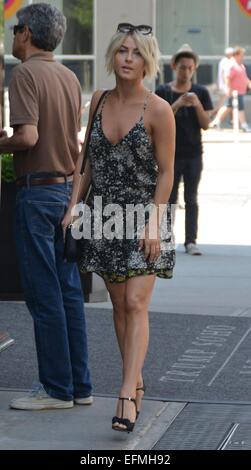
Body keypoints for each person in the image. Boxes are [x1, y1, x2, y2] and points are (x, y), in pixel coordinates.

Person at [62, 22, 176, 433]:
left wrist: (155, 221)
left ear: (148, 61)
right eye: (122, 51)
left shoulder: (159, 109)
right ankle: (137, 378)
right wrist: (74, 206)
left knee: (135, 304)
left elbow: (166, 173)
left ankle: (126, 393)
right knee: (118, 306)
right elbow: (86, 162)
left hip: (144, 216)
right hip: (102, 216)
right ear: (113, 54)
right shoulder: (98, 100)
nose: (128, 58)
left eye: (136, 53)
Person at [0, 3, 92, 410]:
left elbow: (27, 137)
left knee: (43, 294)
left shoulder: (24, 74)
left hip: (37, 192)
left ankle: (55, 389)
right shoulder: (69, 76)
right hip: (65, 193)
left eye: (16, 28)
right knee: (69, 292)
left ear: (27, 34)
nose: (13, 35)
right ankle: (80, 387)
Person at [156, 44, 213, 255]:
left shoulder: (201, 92)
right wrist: (178, 103)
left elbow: (207, 124)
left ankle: (191, 241)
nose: (186, 71)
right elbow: (158, 121)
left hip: (194, 154)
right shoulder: (163, 91)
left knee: (191, 198)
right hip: (169, 155)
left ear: (194, 69)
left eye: (190, 68)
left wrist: (197, 105)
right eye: (182, 67)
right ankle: (165, 238)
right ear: (174, 66)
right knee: (168, 198)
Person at [210, 46, 251, 132]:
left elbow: (244, 77)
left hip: (240, 91)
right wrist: (229, 89)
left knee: (227, 107)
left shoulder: (240, 65)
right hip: (234, 92)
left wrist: (248, 83)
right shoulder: (231, 64)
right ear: (236, 55)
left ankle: (216, 122)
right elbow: (227, 77)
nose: (243, 57)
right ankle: (244, 125)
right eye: (241, 55)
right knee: (240, 108)